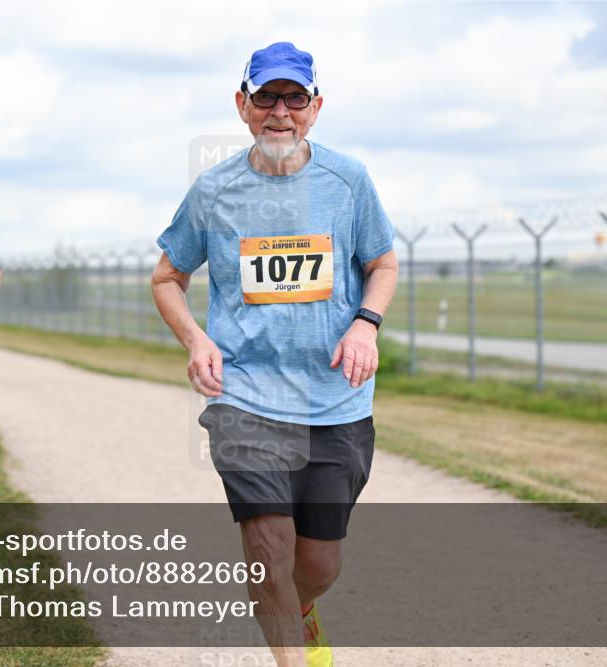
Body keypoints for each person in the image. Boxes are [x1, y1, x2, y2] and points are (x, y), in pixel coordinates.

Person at [151, 42, 398, 667]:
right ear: (243, 105)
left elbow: (383, 264)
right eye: (266, 97)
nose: (279, 111)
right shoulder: (214, 191)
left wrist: (366, 325)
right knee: (267, 551)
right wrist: (197, 339)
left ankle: (302, 609)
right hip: (246, 399)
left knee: (316, 563)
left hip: (334, 398)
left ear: (315, 108)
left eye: (294, 98)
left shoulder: (349, 181)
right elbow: (166, 278)